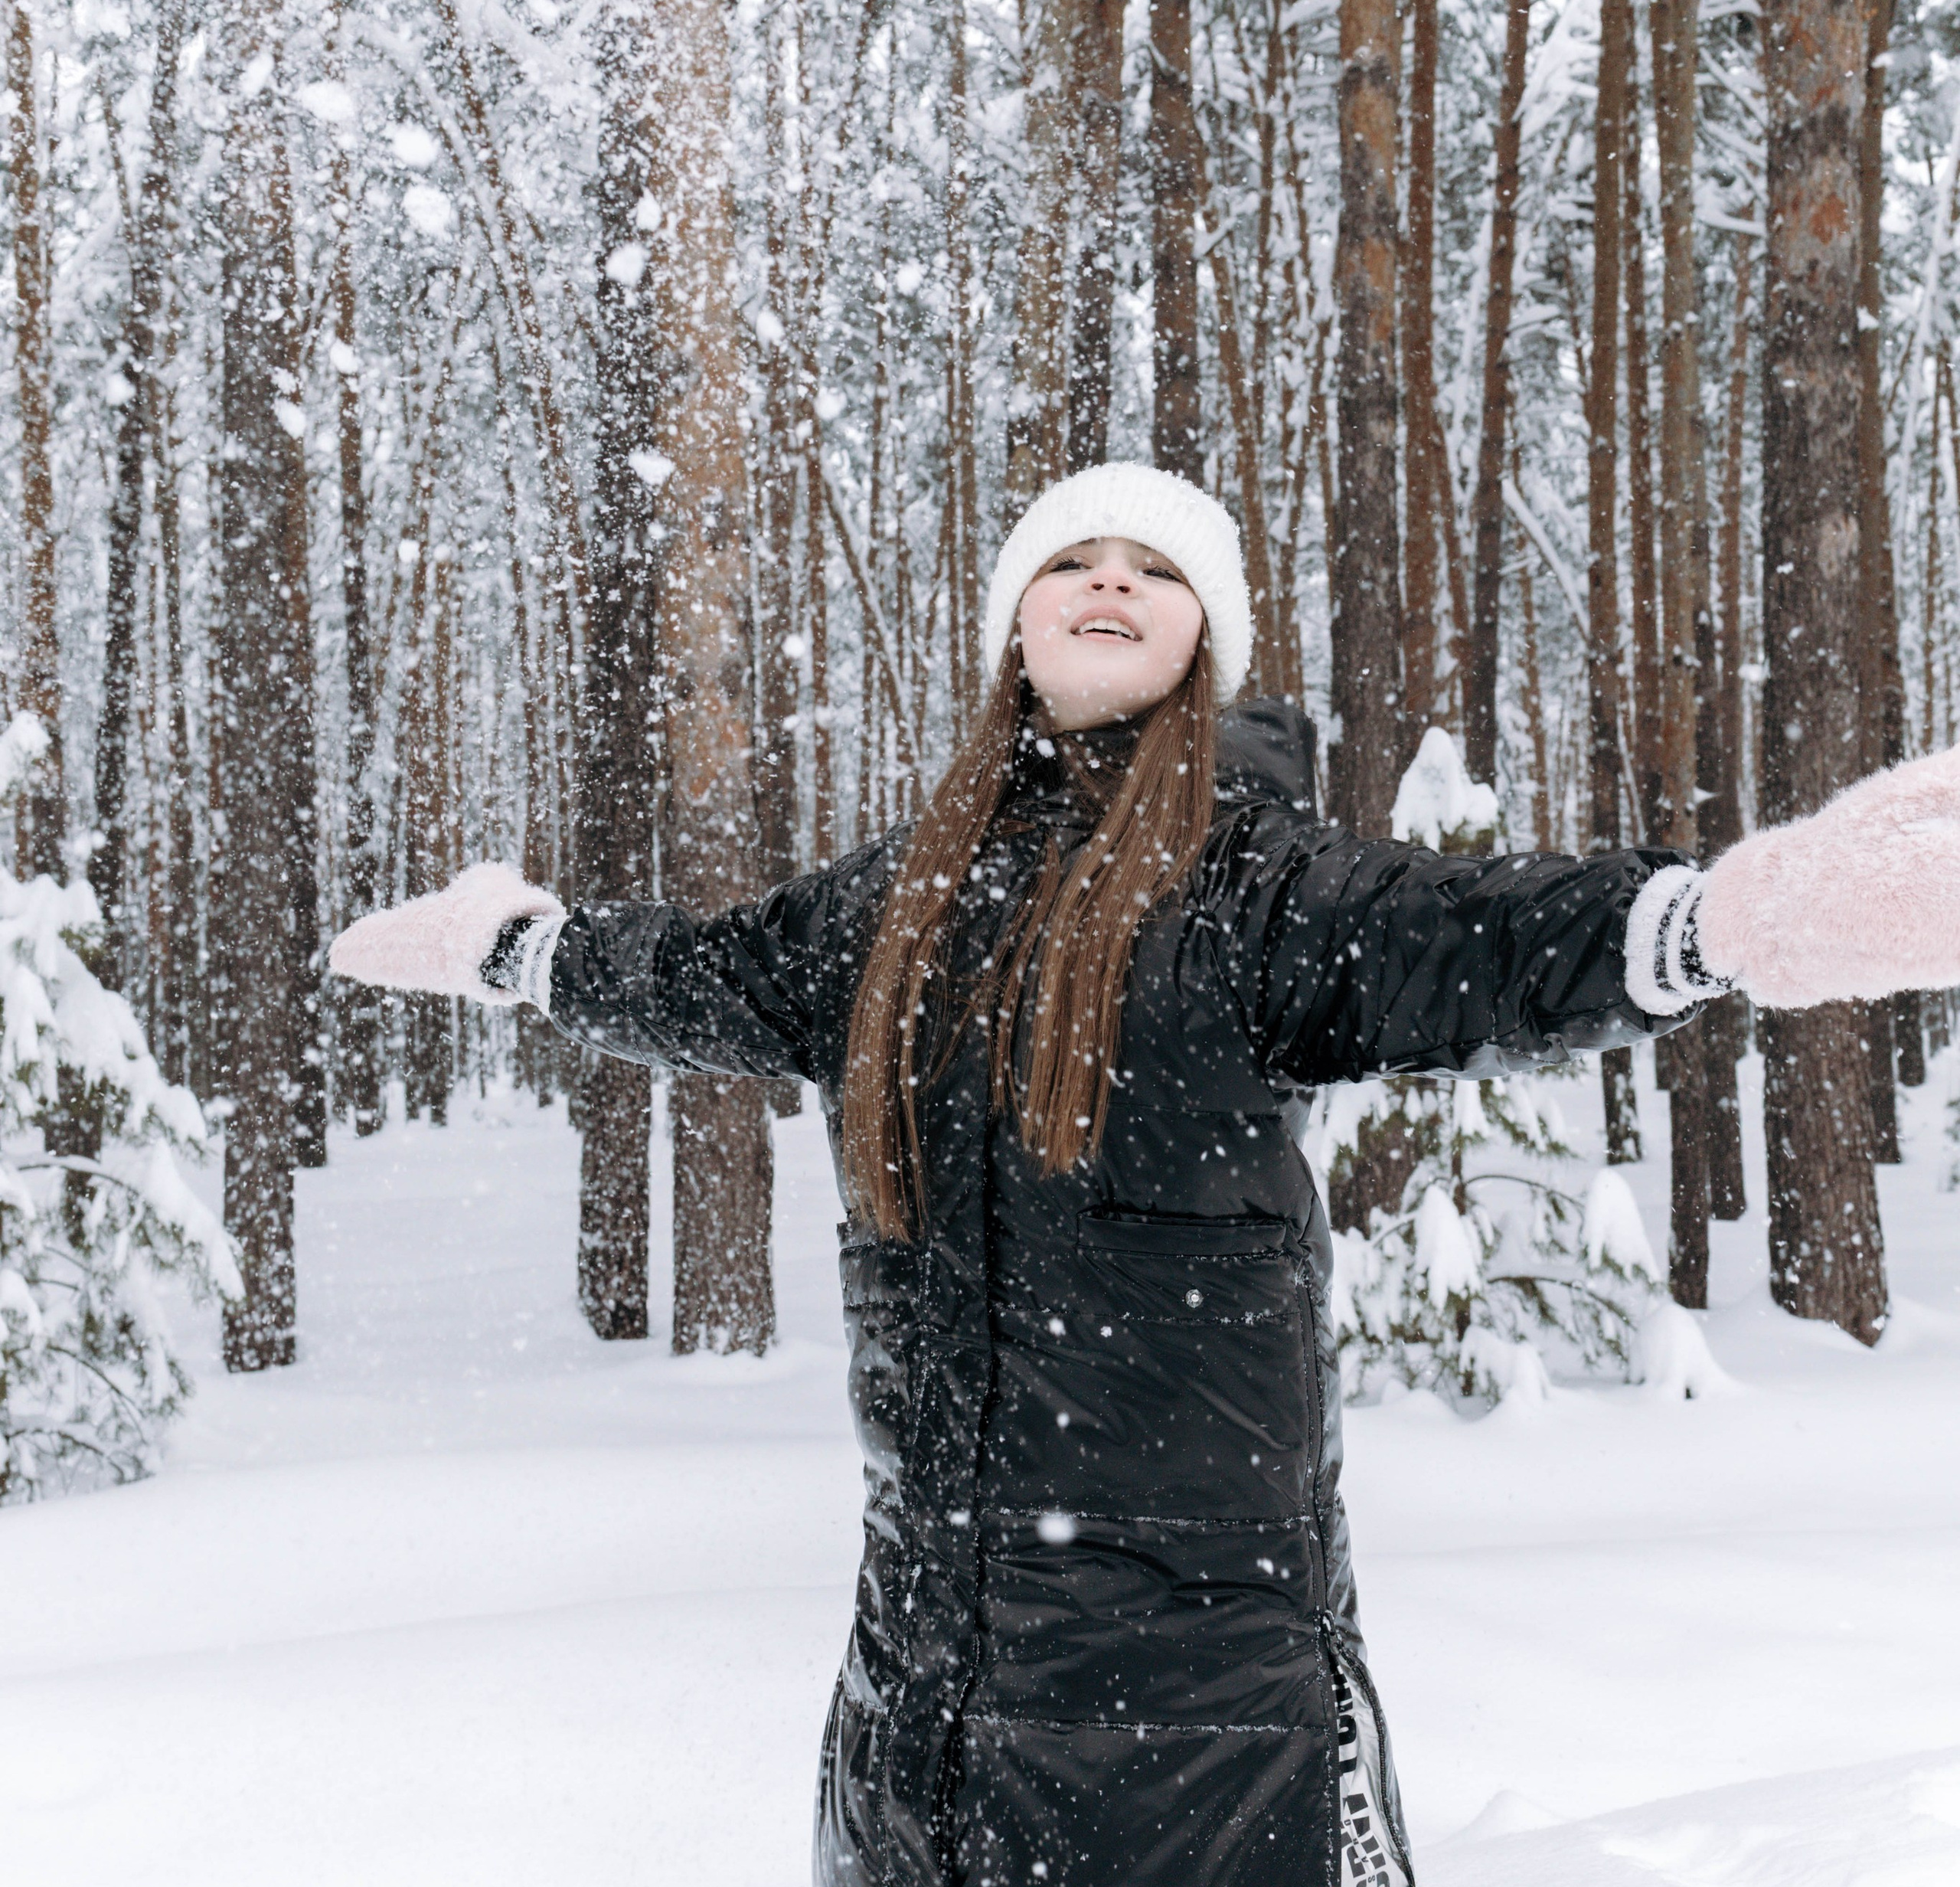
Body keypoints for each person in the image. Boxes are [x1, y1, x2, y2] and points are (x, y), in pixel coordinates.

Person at [331, 461, 1960, 1887]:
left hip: (1195, 1706)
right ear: (1013, 626)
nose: (1110, 578)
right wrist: (519, 948)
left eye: (1157, 566)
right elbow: (697, 970)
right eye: (1072, 557)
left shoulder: (1255, 883)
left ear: (1203, 642)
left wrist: (1721, 919)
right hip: (920, 1689)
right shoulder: (892, 903)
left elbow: (1476, 939)